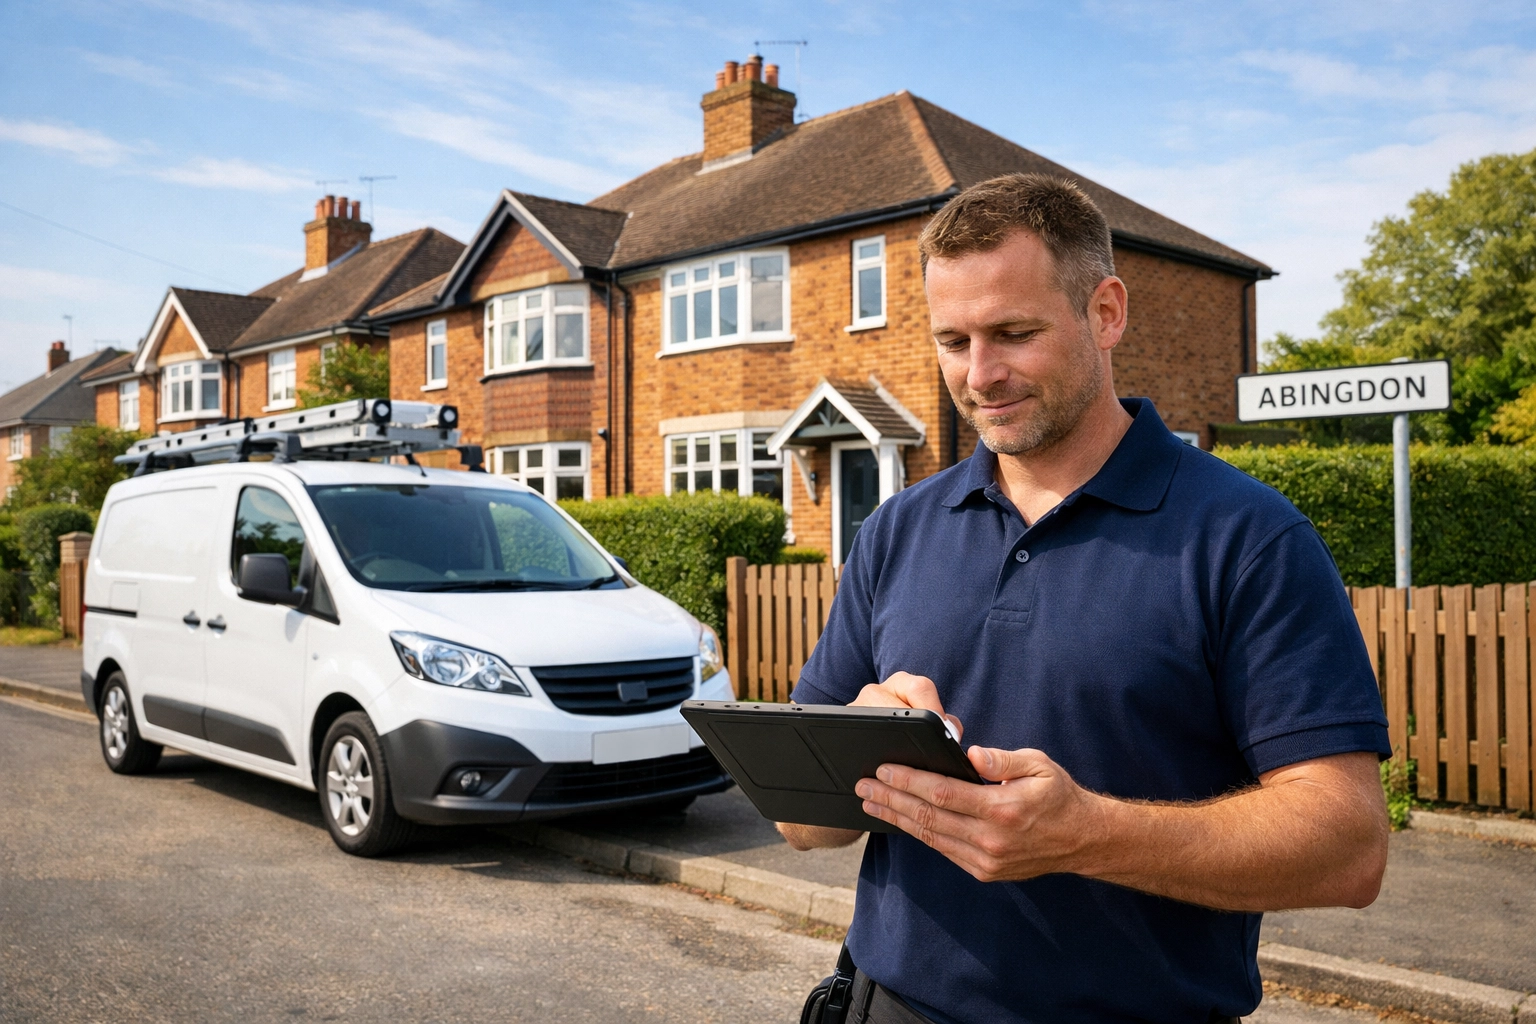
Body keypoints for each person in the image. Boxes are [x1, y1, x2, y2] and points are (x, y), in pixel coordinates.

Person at [780, 173, 1391, 1024]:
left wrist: (1087, 834)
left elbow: (1349, 848)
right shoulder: (898, 528)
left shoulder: (1249, 537)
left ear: (1106, 312)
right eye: (952, 341)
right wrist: (864, 736)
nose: (980, 375)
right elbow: (805, 829)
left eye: (1014, 333)